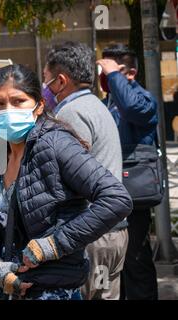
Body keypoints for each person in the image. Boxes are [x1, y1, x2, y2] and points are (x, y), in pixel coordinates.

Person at [0, 64, 132, 300]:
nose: (8, 110)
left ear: (39, 106)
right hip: (6, 291)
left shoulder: (56, 143)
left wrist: (53, 245)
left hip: (54, 291)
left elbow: (116, 198)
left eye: (18, 102)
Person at [42, 41, 128, 300]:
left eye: (46, 80)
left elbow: (68, 174)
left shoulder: (72, 113)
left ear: (61, 81)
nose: (44, 88)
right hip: (110, 233)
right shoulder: (96, 106)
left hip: (94, 235)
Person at [98, 43, 159, 300]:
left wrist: (113, 75)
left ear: (130, 74)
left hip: (134, 197)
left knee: (135, 259)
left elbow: (133, 109)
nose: (104, 77)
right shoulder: (108, 103)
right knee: (116, 262)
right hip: (109, 195)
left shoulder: (143, 100)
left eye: (111, 71)